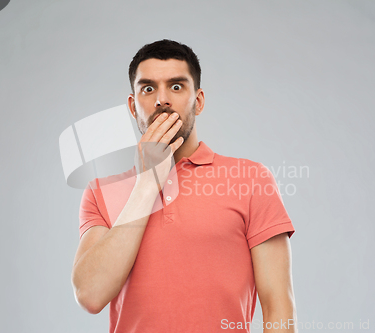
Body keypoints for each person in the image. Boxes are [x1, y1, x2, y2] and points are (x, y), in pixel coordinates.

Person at [71, 39, 297, 333]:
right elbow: (90, 294)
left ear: (198, 101)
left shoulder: (251, 179)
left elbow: (279, 306)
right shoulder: (100, 191)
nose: (162, 100)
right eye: (148, 88)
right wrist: (146, 184)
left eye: (176, 87)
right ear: (132, 105)